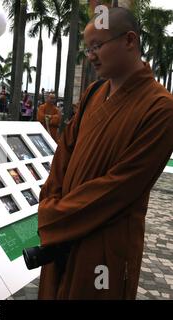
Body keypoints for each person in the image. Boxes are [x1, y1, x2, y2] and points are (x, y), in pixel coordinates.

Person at [37, 7, 173, 300]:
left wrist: (55, 216)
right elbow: (65, 152)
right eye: (88, 49)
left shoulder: (161, 107)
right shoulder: (93, 94)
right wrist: (50, 198)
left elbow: (121, 186)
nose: (91, 55)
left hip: (105, 241)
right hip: (62, 228)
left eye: (97, 46)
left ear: (129, 40)